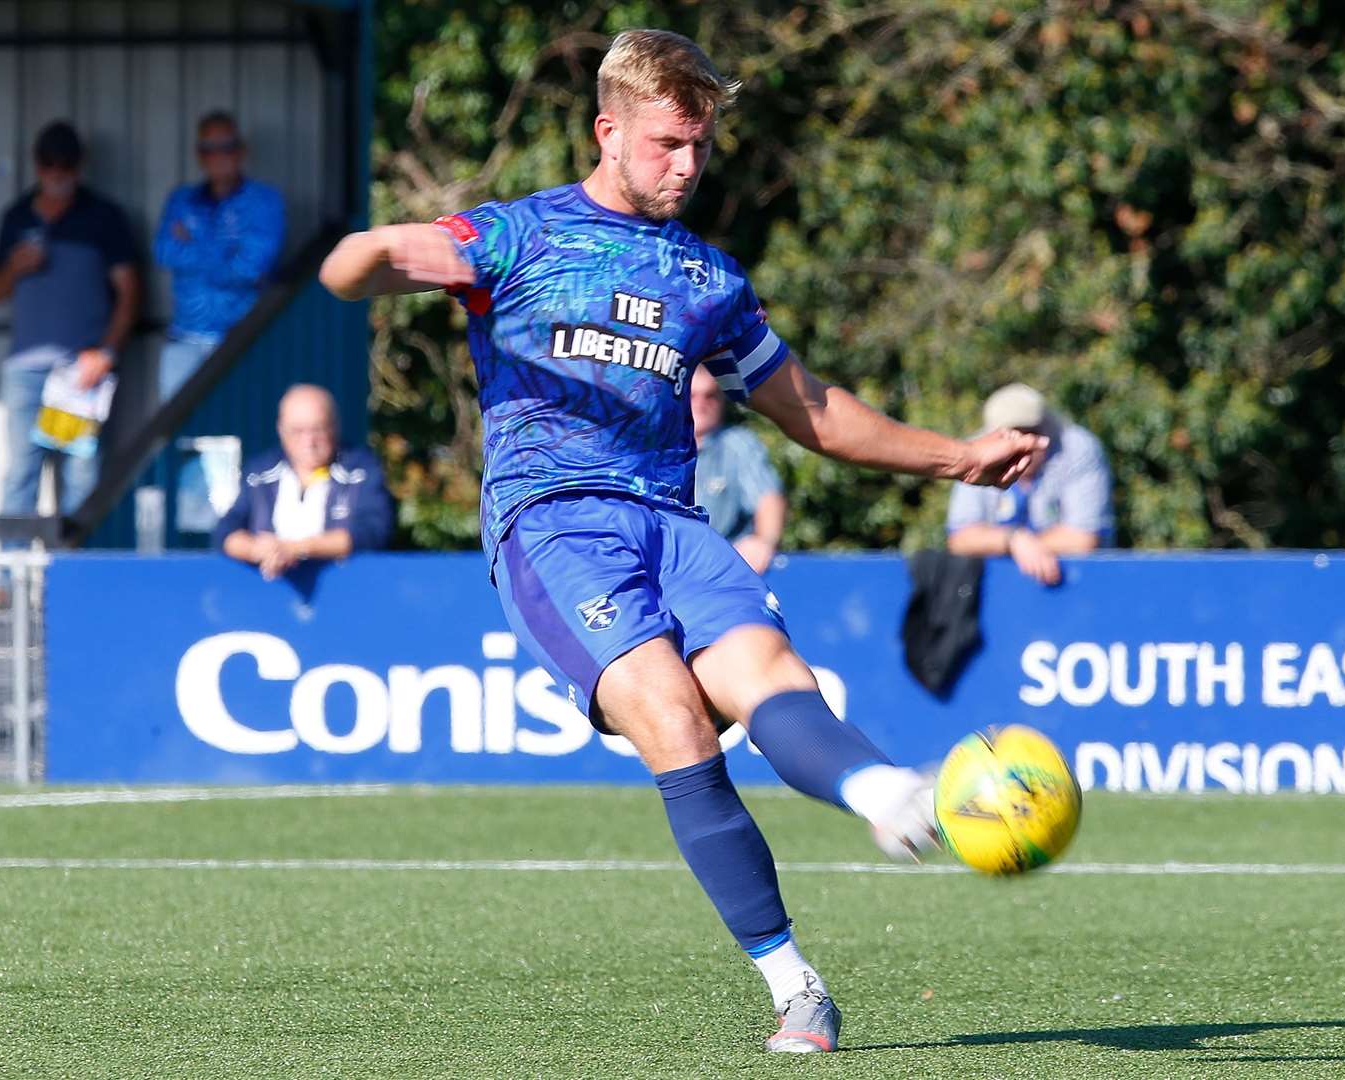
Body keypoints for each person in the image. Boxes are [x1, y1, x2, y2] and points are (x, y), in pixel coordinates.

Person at [317, 29, 1043, 1054]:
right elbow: (359, 269)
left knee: (771, 676)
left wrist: (954, 458)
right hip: (553, 522)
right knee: (673, 716)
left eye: (699, 146)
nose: (687, 166)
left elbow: (814, 412)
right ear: (607, 130)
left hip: (670, 521)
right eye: (666, 143)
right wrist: (371, 252)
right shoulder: (515, 239)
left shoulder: (706, 277)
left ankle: (889, 793)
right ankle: (795, 985)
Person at [0, 120, 140, 606]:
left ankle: (71, 580)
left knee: (78, 475)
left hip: (77, 373)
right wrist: (14, 267)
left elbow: (130, 292)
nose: (57, 175)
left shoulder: (103, 218)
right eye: (49, 166)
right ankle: (6, 581)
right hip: (26, 368)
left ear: (79, 166)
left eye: (66, 167)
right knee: (21, 474)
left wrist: (106, 351)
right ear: (37, 165)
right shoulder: (16, 216)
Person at [153, 111, 286, 401]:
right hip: (184, 339)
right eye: (209, 149)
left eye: (227, 147)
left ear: (241, 151)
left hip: (241, 340)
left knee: (238, 433)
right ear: (199, 155)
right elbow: (163, 252)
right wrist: (227, 250)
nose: (219, 156)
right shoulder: (181, 199)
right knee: (175, 435)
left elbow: (249, 269)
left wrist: (194, 243)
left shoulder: (264, 201)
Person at [213, 385, 394, 580]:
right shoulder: (258, 474)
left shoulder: (361, 471)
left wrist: (297, 549)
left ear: (335, 426)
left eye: (318, 429)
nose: (309, 441)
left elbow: (373, 530)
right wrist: (258, 550)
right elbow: (226, 530)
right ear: (280, 429)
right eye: (297, 431)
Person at [947, 383, 1113, 586]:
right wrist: (1014, 541)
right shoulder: (975, 452)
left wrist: (1023, 545)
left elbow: (1083, 539)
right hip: (994, 589)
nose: (1023, 444)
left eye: (1031, 432)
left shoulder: (1078, 449)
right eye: (1010, 436)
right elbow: (961, 540)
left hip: (1078, 586)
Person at [690, 365, 785, 574]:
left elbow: (767, 499)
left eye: (710, 396)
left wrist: (763, 542)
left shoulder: (738, 444)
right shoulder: (653, 448)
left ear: (722, 400)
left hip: (722, 573)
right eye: (692, 395)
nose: (701, 403)